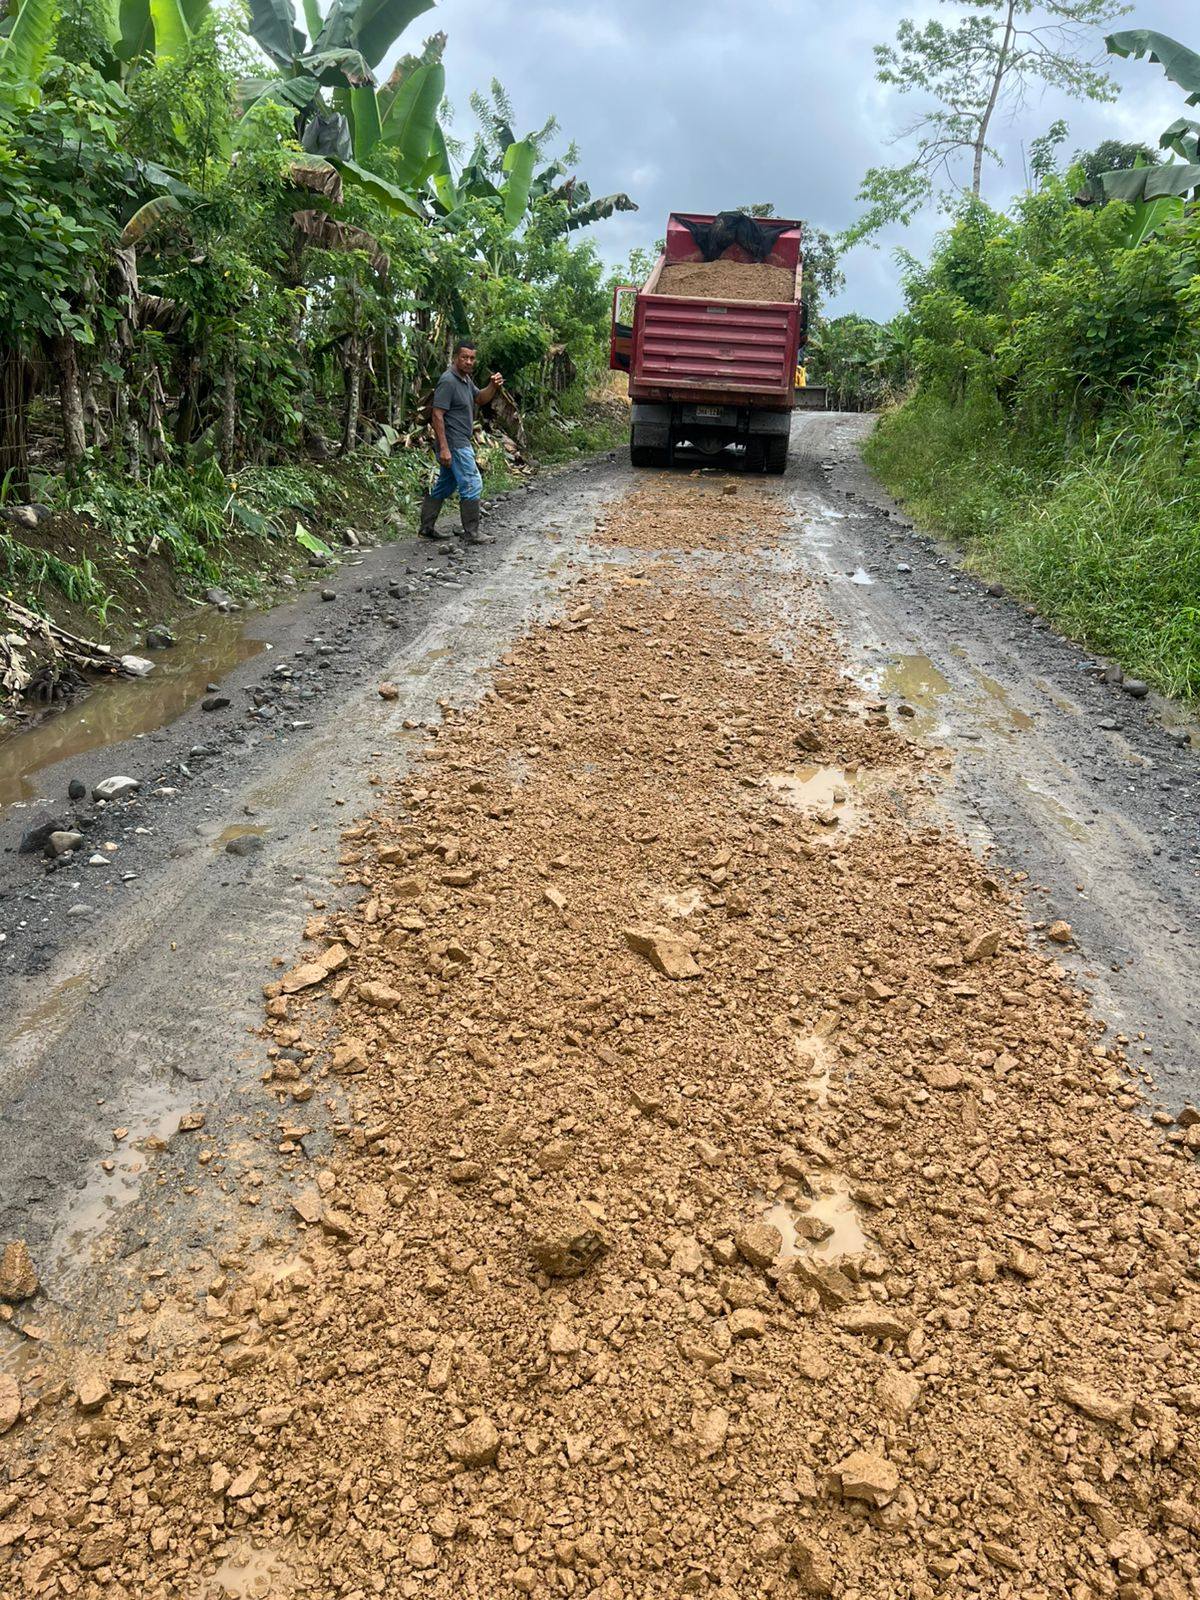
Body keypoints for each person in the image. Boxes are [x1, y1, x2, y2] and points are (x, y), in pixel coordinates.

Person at [418, 340, 505, 544]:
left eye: (472, 358)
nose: (468, 361)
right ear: (456, 357)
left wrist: (493, 386)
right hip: (455, 443)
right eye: (464, 357)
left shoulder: (465, 379)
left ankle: (426, 528)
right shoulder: (448, 381)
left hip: (458, 441)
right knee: (472, 483)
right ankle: (471, 533)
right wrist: (444, 448)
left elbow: (480, 398)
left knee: (445, 485)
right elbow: (437, 415)